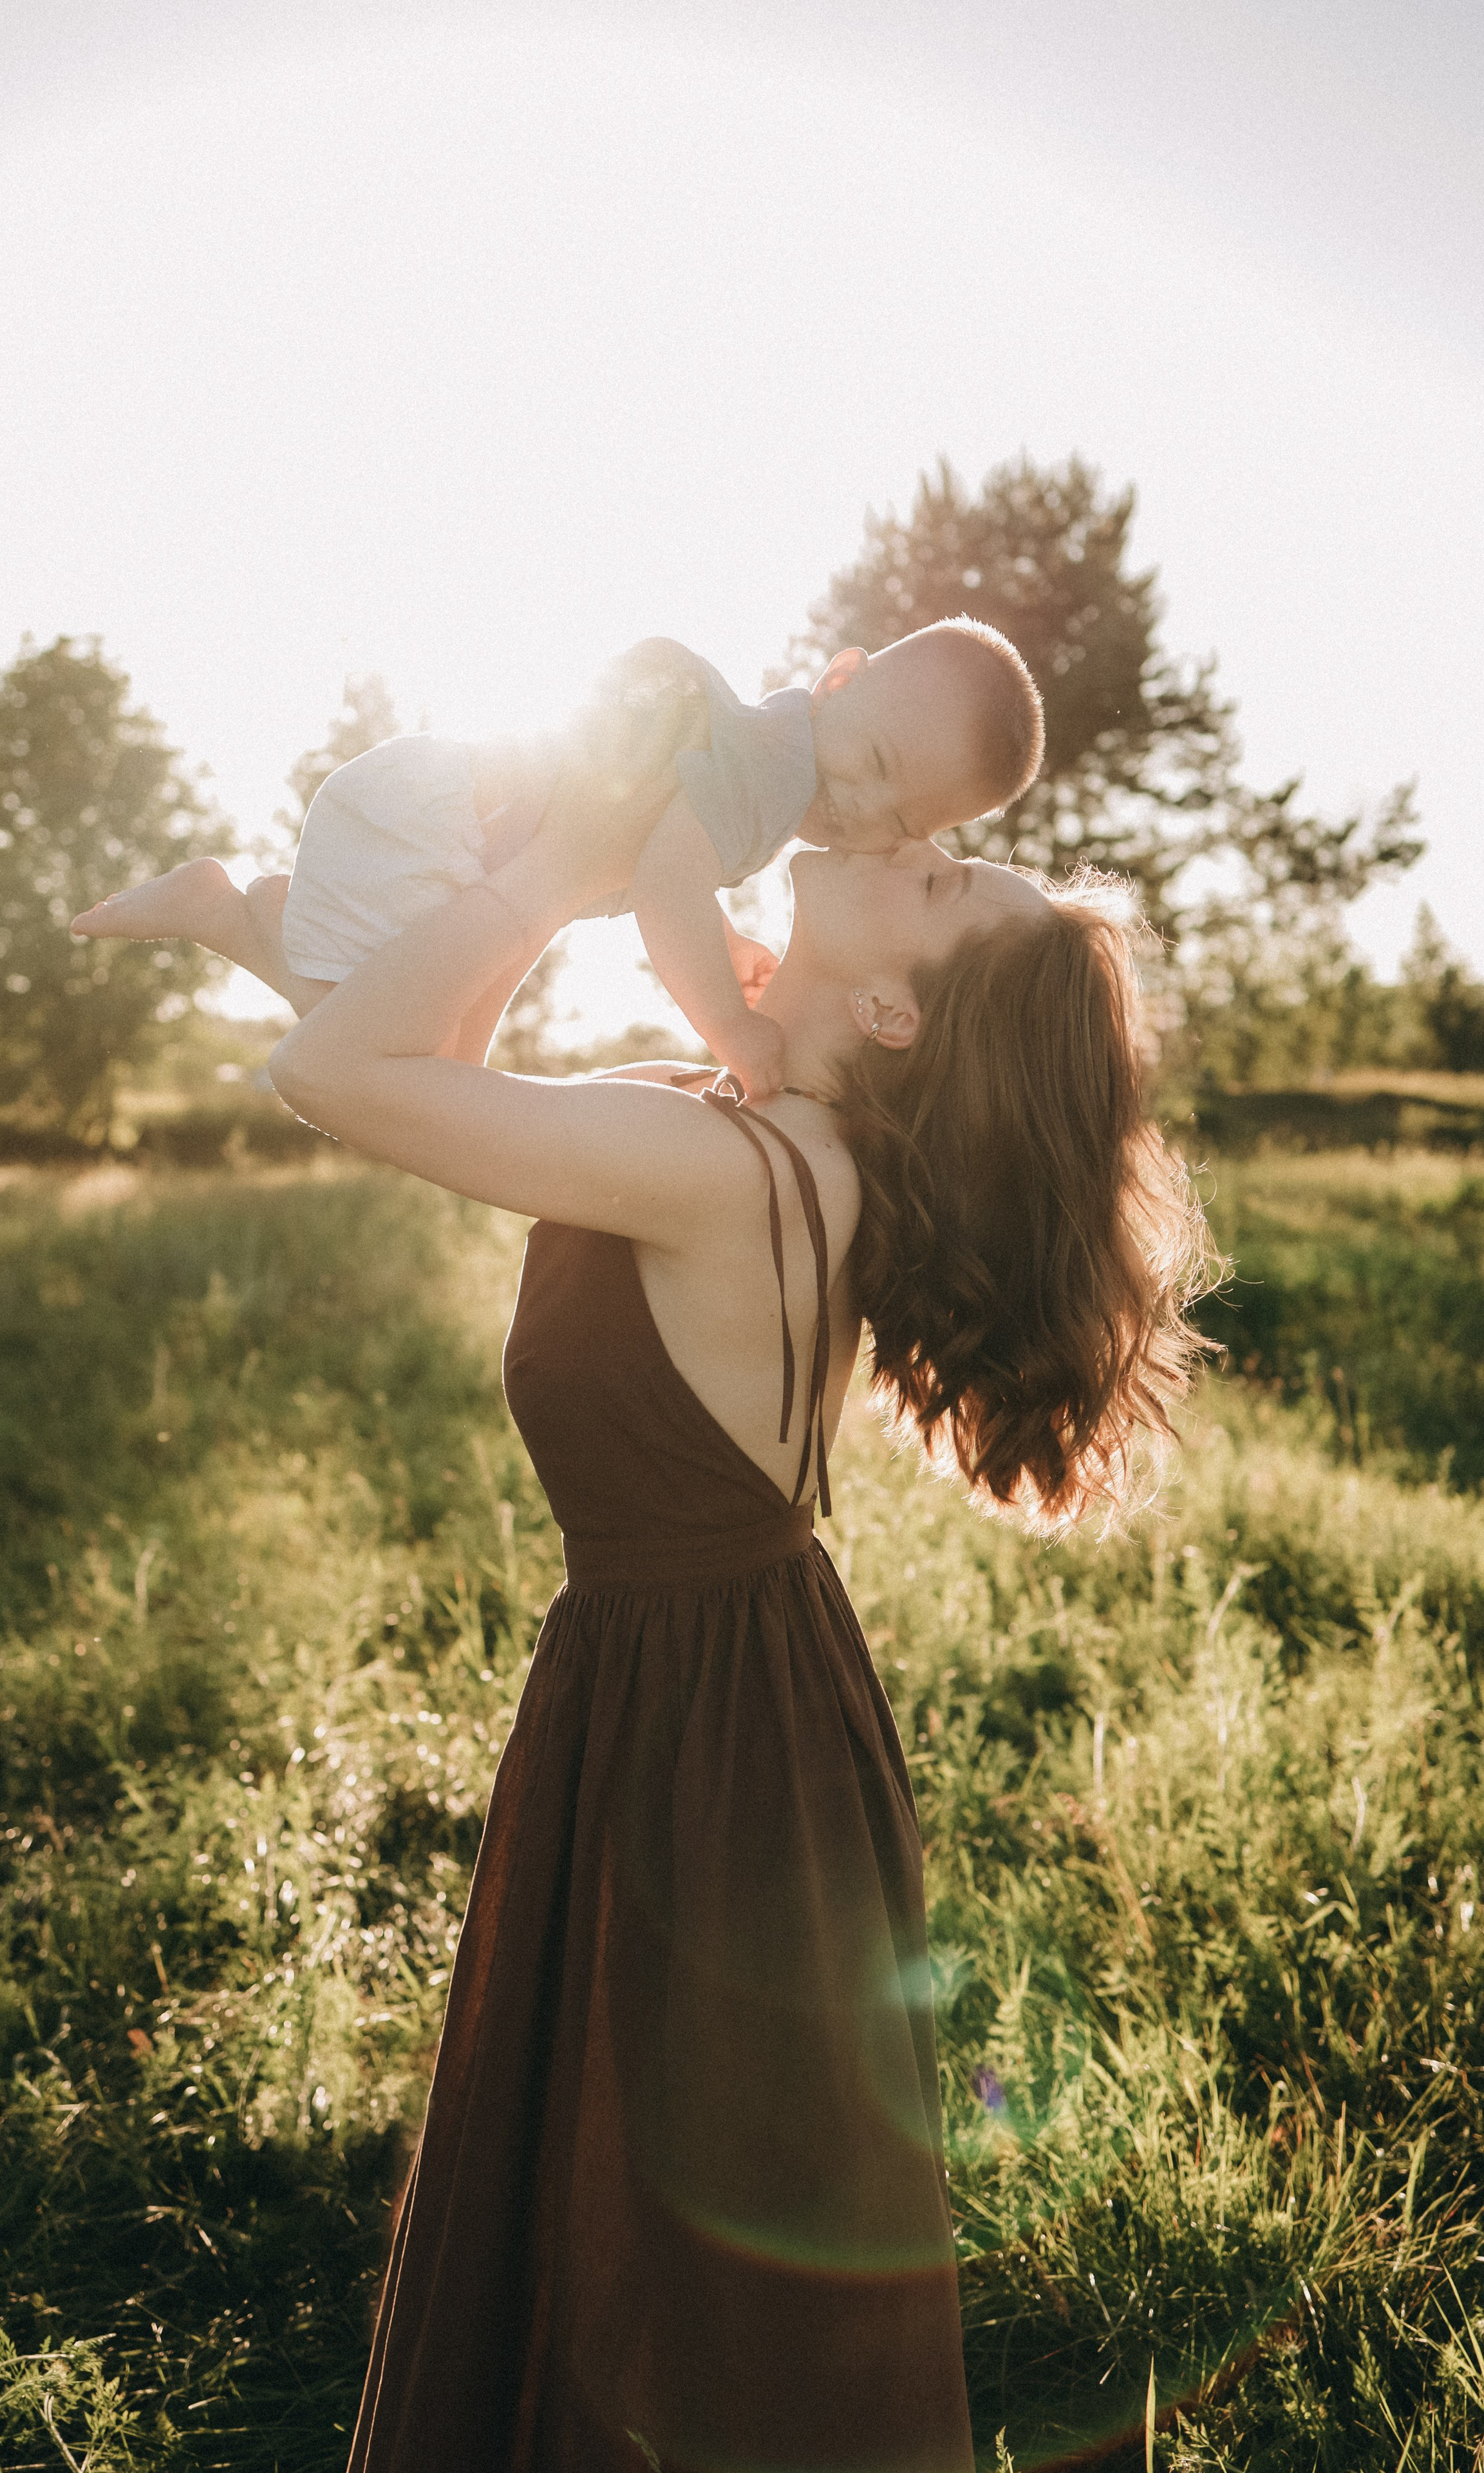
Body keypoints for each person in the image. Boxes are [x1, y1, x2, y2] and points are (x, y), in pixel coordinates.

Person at [210, 753, 1208, 2472]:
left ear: (895, 1008)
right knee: (663, 2251)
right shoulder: (743, 1134)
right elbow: (435, 1078)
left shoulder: (729, 1170)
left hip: (712, 1744)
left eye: (955, 881)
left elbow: (340, 1073)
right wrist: (360, 913)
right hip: (713, 1704)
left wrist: (560, 870)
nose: (925, 842)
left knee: (725, 2301)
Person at [70, 620, 1044, 1099]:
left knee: (450, 1074)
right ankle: (231, 916)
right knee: (367, 1042)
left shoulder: (767, 755)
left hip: (454, 839)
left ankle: (266, 915)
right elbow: (667, 888)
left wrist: (725, 931)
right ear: (838, 682)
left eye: (900, 814)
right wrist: (731, 1033)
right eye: (872, 762)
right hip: (441, 828)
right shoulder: (771, 777)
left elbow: (674, 856)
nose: (861, 804)